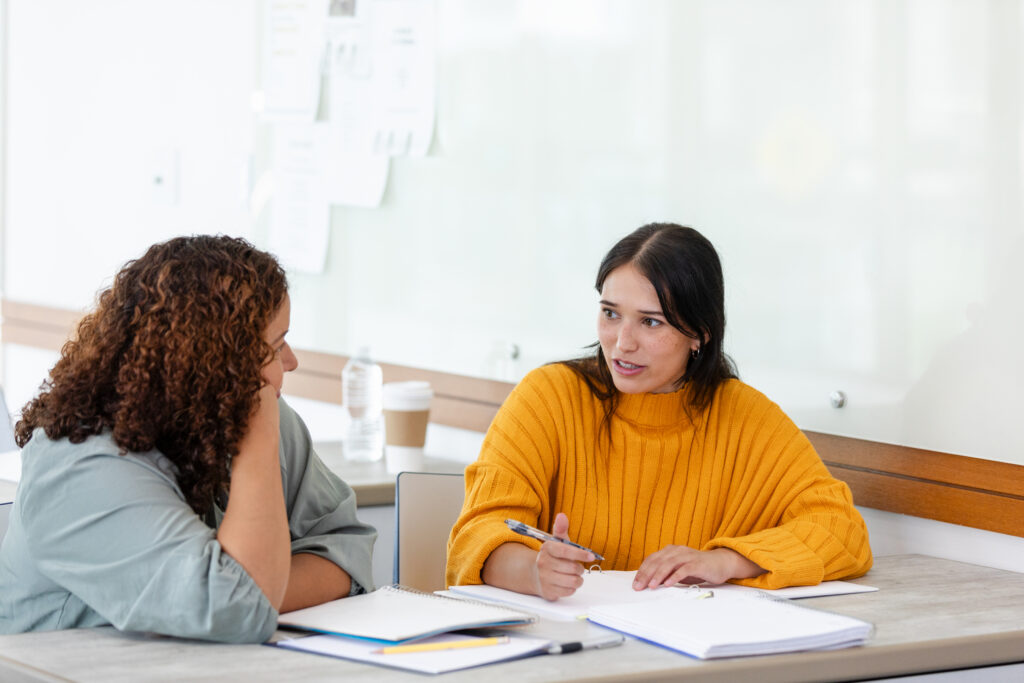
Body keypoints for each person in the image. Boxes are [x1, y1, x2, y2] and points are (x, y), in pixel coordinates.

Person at [446, 223, 872, 600]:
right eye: (610, 314)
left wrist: (726, 560)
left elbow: (842, 531)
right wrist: (534, 573)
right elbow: (476, 534)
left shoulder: (746, 417)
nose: (621, 343)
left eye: (651, 322)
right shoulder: (548, 398)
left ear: (699, 334)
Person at [0, 235, 376, 642]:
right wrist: (251, 589)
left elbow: (345, 549)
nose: (291, 362)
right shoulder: (78, 466)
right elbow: (238, 609)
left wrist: (256, 589)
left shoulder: (261, 420)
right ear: (218, 362)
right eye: (276, 345)